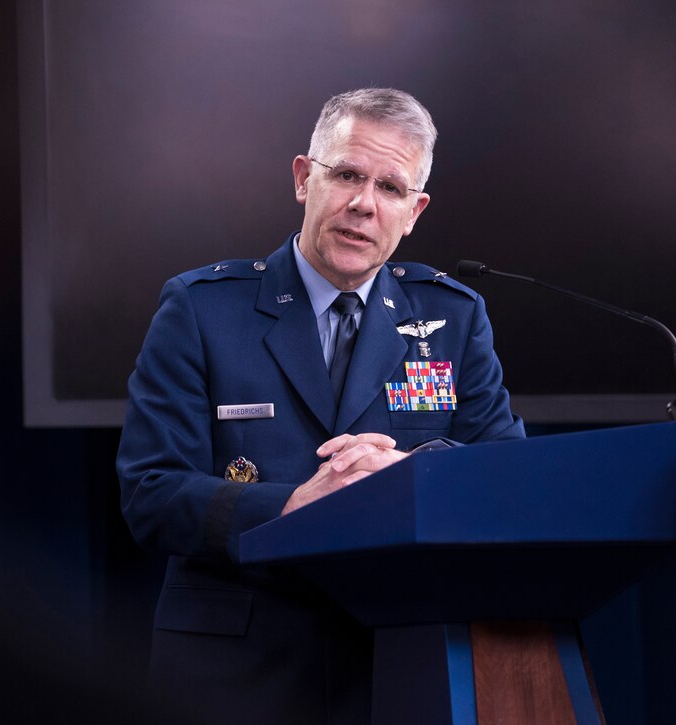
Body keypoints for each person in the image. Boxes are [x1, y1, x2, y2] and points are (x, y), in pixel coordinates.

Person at [116, 88, 524, 724]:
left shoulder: (454, 316)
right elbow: (151, 493)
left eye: (390, 188)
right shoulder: (201, 309)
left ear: (413, 212)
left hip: (399, 664)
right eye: (348, 175)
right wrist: (289, 508)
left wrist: (409, 476)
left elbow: (507, 479)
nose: (364, 204)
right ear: (305, 179)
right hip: (236, 672)